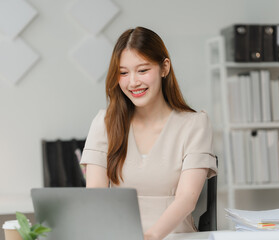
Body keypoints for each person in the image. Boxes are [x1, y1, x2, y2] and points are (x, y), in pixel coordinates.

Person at [80, 26, 217, 240]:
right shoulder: (105, 122)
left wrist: (150, 237)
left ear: (164, 68)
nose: (133, 82)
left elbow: (186, 199)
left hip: (176, 237)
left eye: (143, 70)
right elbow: (95, 196)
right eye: (123, 73)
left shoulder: (195, 124)